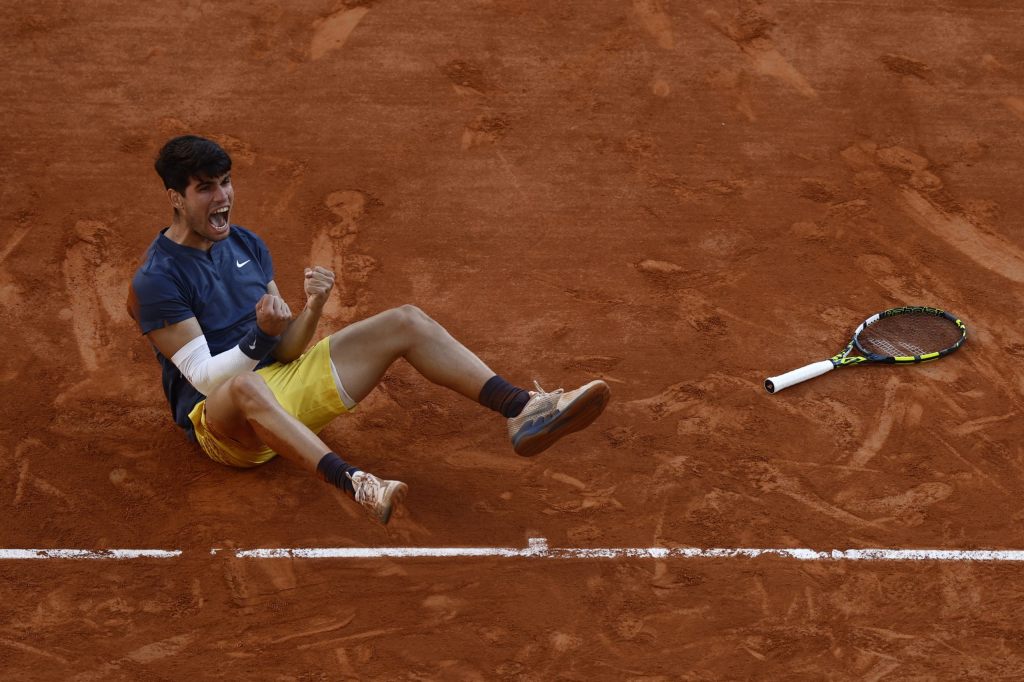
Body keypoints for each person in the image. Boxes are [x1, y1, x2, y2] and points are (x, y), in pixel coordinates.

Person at [127, 135, 610, 525]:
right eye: (207, 188)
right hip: (224, 426)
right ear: (175, 197)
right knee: (246, 383)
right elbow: (209, 381)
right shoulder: (157, 281)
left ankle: (521, 409)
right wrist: (259, 335)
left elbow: (290, 349)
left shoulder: (246, 244)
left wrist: (312, 307)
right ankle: (356, 482)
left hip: (279, 393)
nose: (223, 197)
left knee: (407, 320)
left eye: (227, 183)